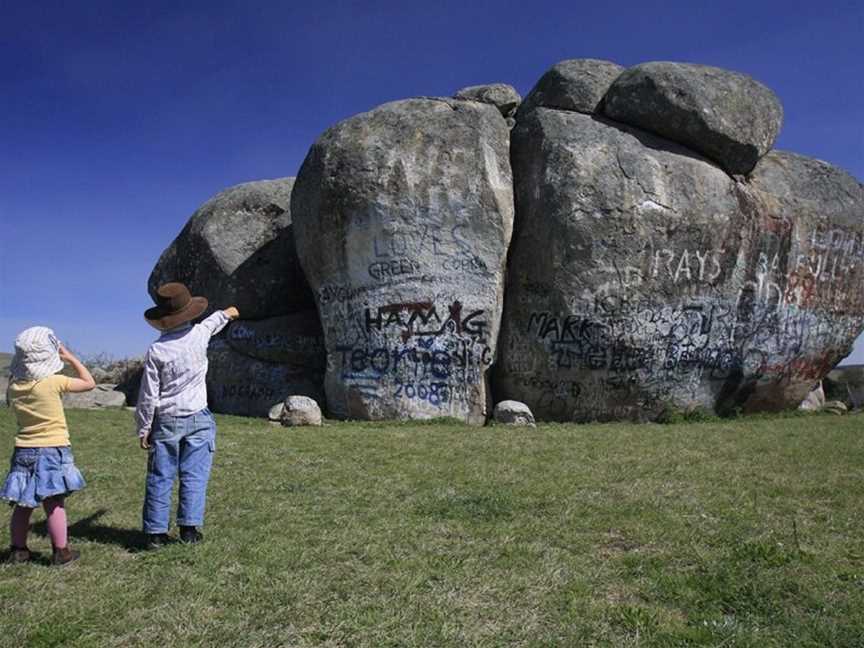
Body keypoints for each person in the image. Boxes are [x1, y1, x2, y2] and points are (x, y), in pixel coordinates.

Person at [136, 282, 239, 549]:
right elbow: (216, 320)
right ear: (189, 310)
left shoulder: (156, 351)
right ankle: (189, 530)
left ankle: (155, 534)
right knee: (195, 476)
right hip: (198, 418)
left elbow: (149, 394)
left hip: (166, 420)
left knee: (160, 477)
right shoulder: (199, 335)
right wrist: (230, 311)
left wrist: (144, 427)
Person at [2, 327, 96, 565]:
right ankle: (61, 552)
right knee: (54, 502)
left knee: (23, 504)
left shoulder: (13, 386)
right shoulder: (53, 382)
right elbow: (89, 383)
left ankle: (18, 550)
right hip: (52, 449)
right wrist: (72, 358)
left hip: (23, 449)